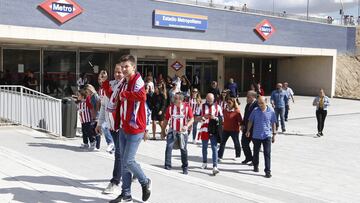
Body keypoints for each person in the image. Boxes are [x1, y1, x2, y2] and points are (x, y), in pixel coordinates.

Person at [110, 55, 151, 203]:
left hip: (135, 128)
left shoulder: (137, 81)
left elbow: (142, 96)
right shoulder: (123, 82)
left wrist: (124, 94)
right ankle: (126, 194)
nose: (124, 69)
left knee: (128, 161)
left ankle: (145, 181)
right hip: (123, 127)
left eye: (127, 66)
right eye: (123, 67)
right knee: (123, 161)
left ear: (133, 67)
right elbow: (115, 98)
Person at [100, 62, 126, 194]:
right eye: (116, 71)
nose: (118, 74)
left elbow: (114, 97)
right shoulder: (110, 85)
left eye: (120, 72)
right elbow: (104, 105)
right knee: (124, 155)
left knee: (119, 154)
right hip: (111, 125)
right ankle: (132, 172)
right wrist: (100, 123)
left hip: (122, 126)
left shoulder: (125, 85)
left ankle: (115, 181)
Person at [162, 93, 194, 174]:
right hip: (172, 131)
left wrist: (187, 126)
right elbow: (166, 120)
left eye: (176, 98)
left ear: (180, 100)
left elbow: (192, 119)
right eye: (174, 98)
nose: (173, 99)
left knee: (183, 149)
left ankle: (185, 167)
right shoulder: (170, 108)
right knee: (168, 147)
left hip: (183, 132)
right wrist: (163, 131)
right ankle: (167, 166)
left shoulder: (187, 107)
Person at [246, 96, 277, 178]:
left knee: (267, 153)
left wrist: (274, 134)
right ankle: (255, 165)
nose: (260, 105)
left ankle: (267, 171)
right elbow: (250, 121)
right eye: (259, 103)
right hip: (256, 135)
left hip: (267, 135)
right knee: (255, 153)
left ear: (266, 101)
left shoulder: (271, 111)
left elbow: (273, 122)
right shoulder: (255, 110)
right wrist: (248, 130)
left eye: (262, 103)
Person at [196, 93, 223, 176]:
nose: (210, 102)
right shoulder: (201, 106)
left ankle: (215, 166)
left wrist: (214, 118)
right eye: (208, 100)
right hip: (204, 129)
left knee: (214, 148)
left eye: (211, 100)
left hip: (213, 129)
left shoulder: (217, 107)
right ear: (206, 99)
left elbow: (222, 118)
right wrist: (203, 117)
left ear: (213, 99)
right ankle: (204, 162)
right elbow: (196, 117)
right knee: (204, 147)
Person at [218, 97, 242, 161]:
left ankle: (238, 156)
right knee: (222, 143)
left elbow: (240, 121)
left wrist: (240, 128)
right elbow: (222, 119)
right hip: (226, 130)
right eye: (227, 103)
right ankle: (219, 156)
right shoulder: (224, 110)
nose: (228, 104)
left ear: (233, 103)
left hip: (234, 130)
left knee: (236, 142)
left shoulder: (237, 111)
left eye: (229, 103)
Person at [96, 70, 115, 153]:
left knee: (105, 127)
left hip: (110, 112)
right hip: (102, 110)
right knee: (102, 127)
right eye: (100, 79)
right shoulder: (100, 90)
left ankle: (111, 143)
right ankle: (110, 144)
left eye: (102, 78)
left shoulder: (110, 86)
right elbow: (101, 102)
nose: (101, 81)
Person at [241, 90, 258, 164]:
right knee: (244, 142)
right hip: (246, 128)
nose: (246, 98)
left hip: (254, 128)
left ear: (253, 97)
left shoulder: (257, 104)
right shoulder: (248, 104)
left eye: (248, 97)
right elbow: (245, 116)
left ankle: (254, 160)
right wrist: (242, 124)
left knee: (256, 146)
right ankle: (248, 157)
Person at [84, 84, 101, 151]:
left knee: (94, 130)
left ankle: (97, 146)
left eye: (87, 91)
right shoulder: (92, 96)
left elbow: (97, 107)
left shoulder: (95, 96)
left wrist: (95, 116)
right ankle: (97, 145)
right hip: (94, 115)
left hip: (96, 115)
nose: (86, 93)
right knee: (94, 129)